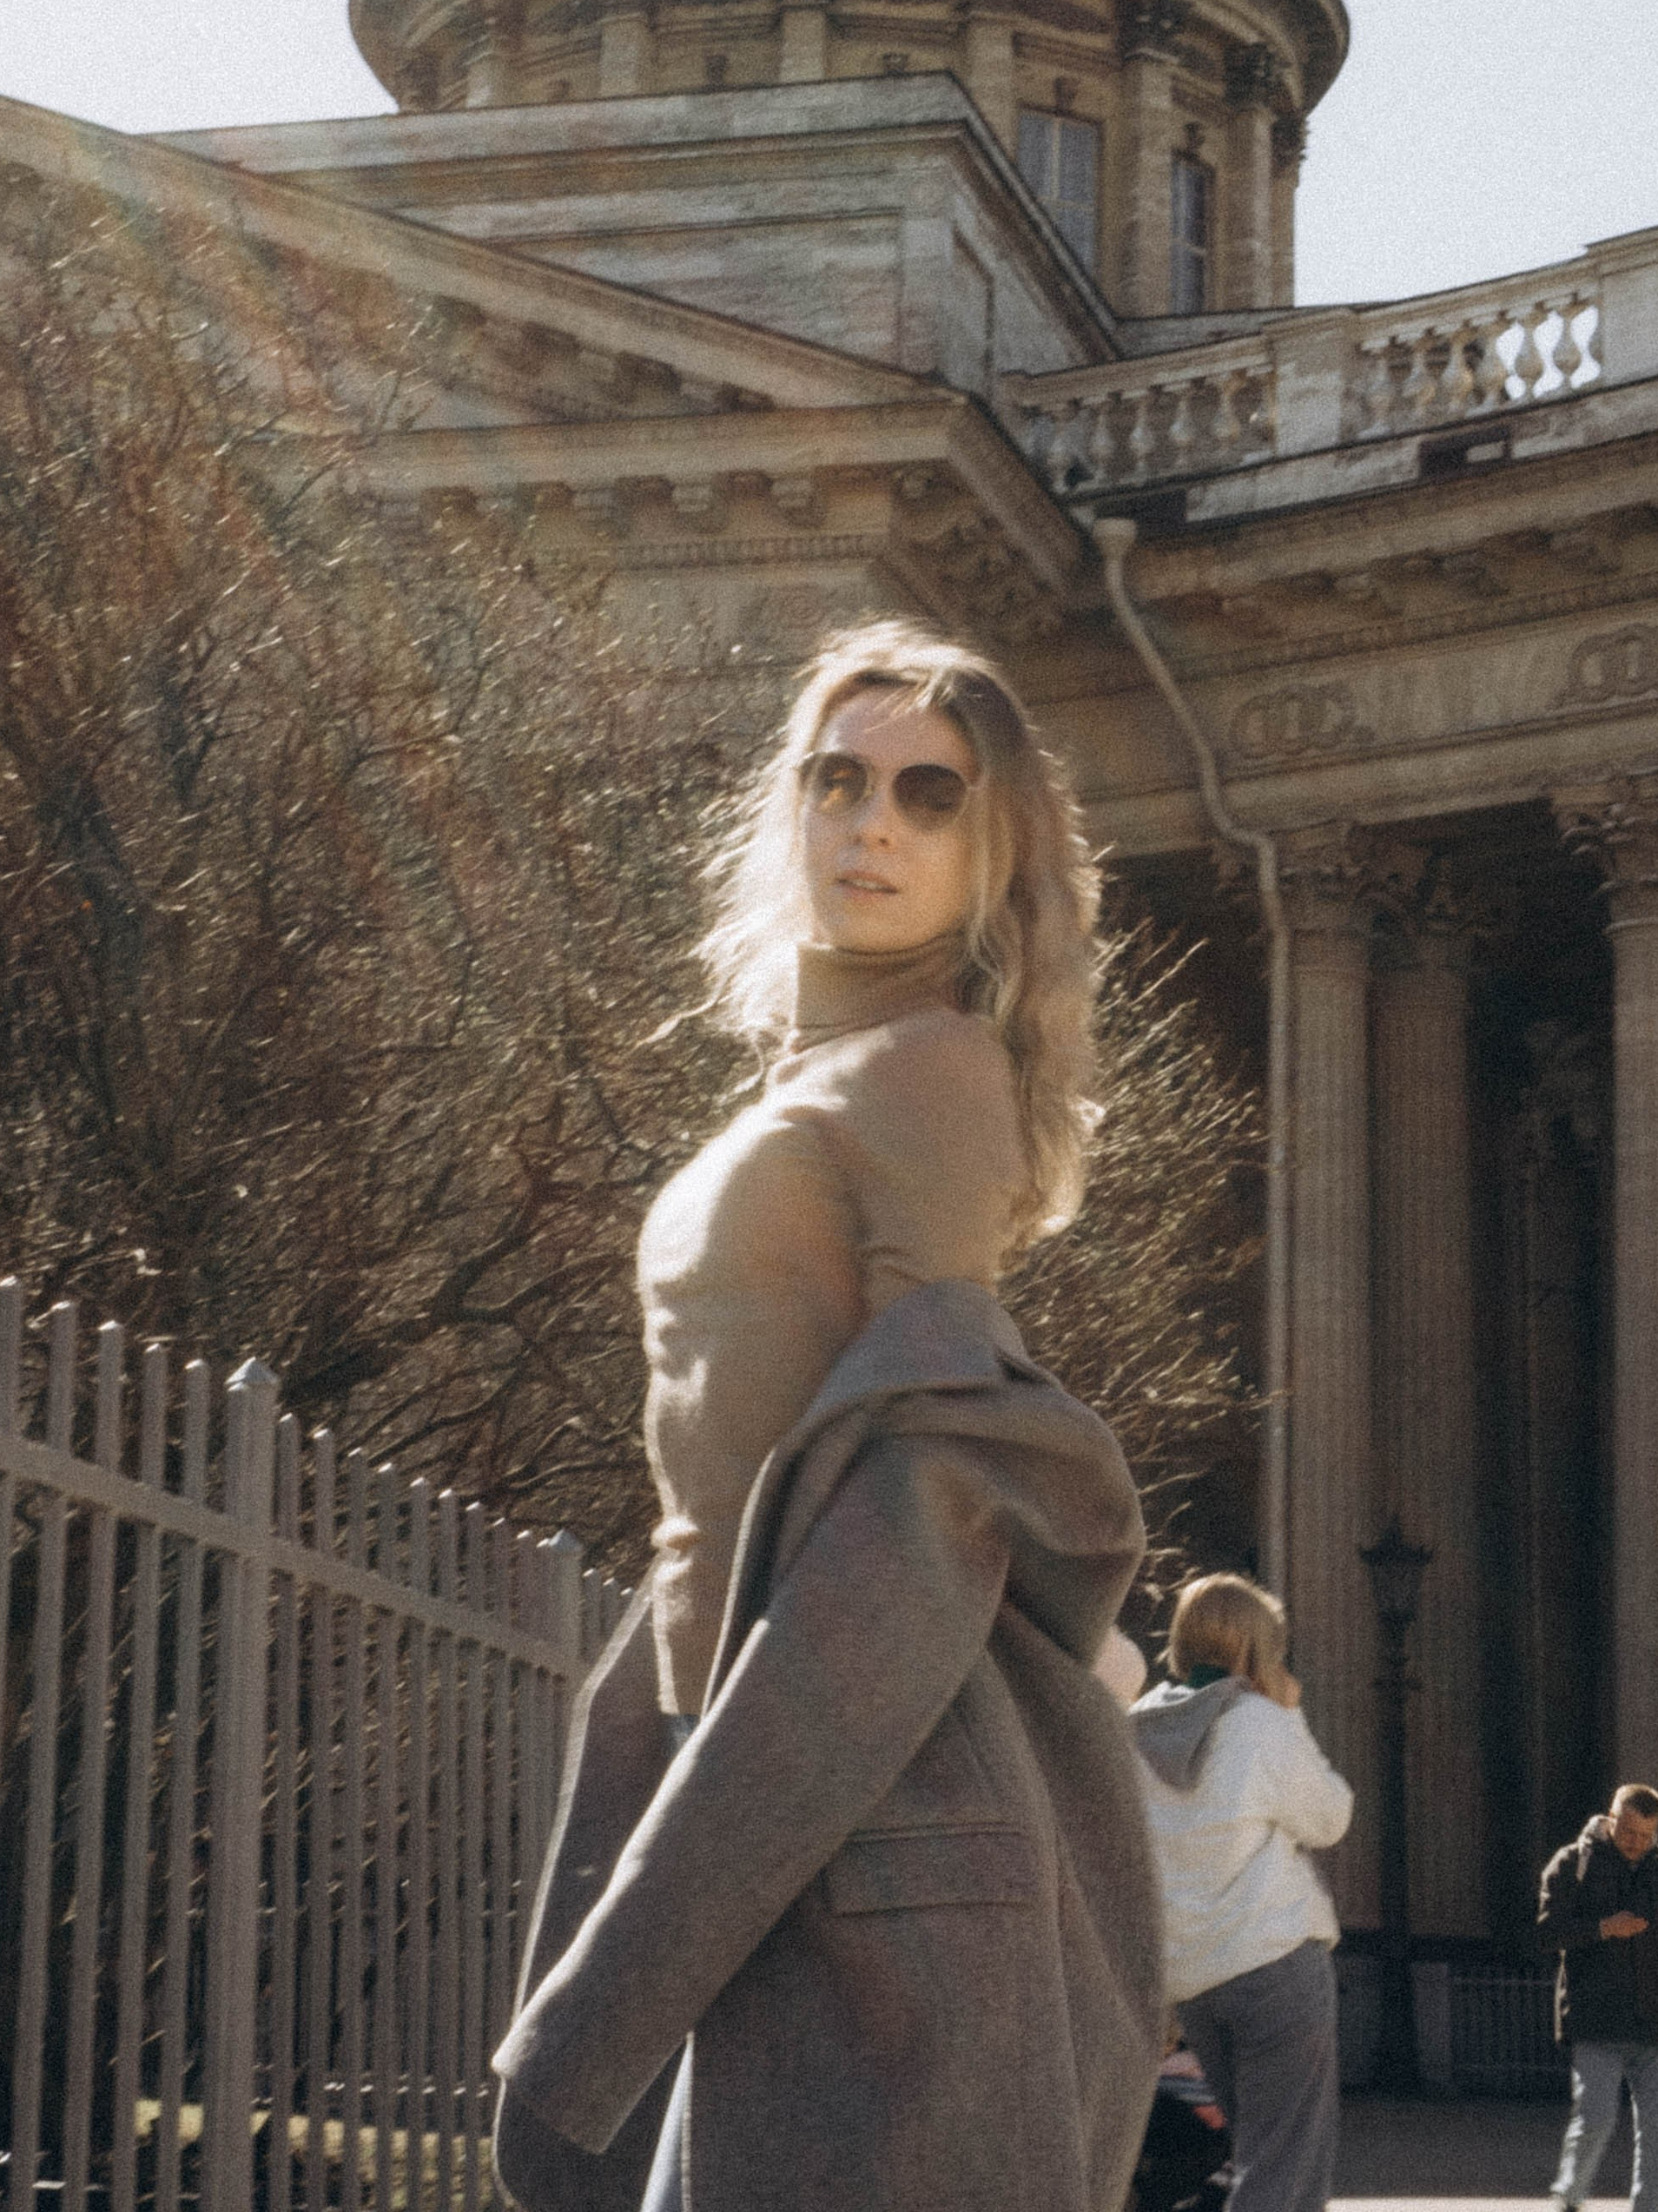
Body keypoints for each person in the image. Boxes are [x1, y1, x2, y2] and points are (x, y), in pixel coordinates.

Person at [492, 621, 1164, 2212]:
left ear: (998, 853)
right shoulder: (833, 1074)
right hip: (811, 1816)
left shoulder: (925, 1071)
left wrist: (639, 1945)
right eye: (838, 778)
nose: (871, 822)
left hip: (875, 1817)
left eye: (930, 796)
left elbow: (936, 1486)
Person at [1130, 1571, 1353, 2212]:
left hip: (1195, 1979)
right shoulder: (1259, 1722)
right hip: (1275, 1963)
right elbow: (1331, 1817)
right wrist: (1293, 1714)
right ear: (1258, 1647)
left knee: (1252, 2157)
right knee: (1283, 2166)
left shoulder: (1134, 1728)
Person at [1538, 1784, 1658, 2212]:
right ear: (1610, 1819)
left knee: (1655, 2134)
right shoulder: (1573, 1863)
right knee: (1595, 2119)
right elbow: (1544, 1933)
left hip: (1657, 2025)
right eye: (1628, 1831)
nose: (1636, 1843)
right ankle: (1568, 2199)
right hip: (1595, 2021)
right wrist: (1601, 1928)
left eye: (1646, 1835)